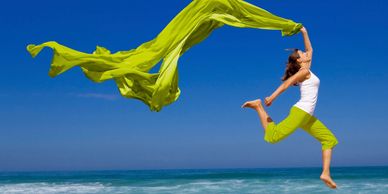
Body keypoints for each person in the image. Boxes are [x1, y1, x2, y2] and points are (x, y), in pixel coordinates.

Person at [241, 26, 339, 189]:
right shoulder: (304, 71)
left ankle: (325, 173)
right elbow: (286, 83)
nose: (306, 53)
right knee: (273, 137)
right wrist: (272, 97)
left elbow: (310, 49)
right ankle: (258, 106)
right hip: (300, 112)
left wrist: (304, 31)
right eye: (302, 54)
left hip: (307, 116)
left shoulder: (307, 69)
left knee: (329, 139)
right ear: (300, 60)